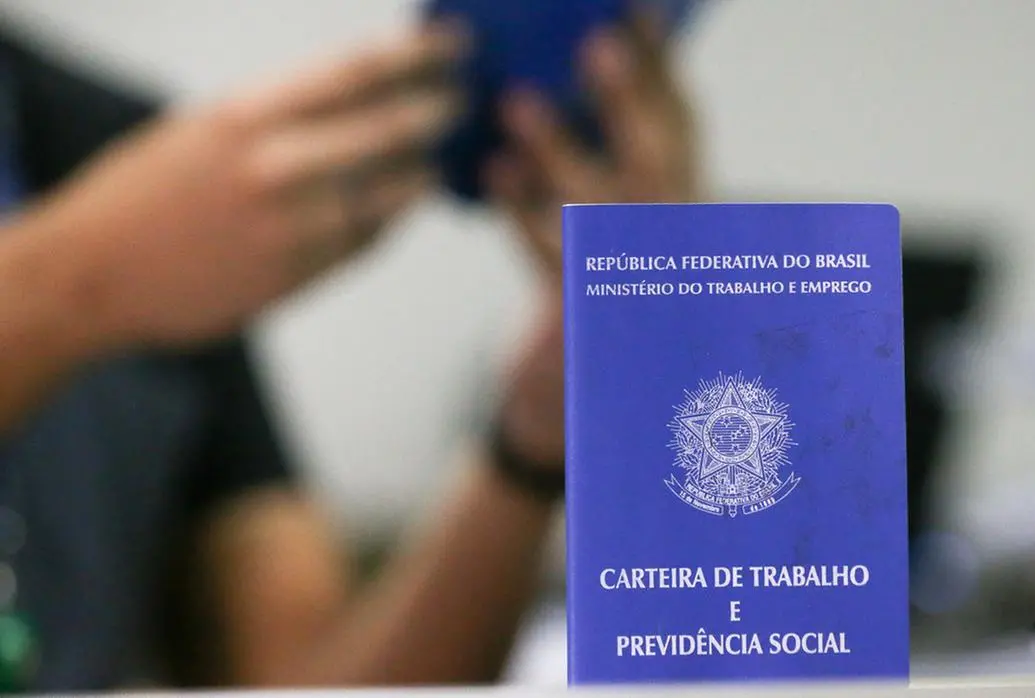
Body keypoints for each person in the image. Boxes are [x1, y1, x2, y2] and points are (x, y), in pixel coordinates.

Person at [0, 7, 699, 692]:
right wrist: (72, 283)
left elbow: (310, 684)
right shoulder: (123, 219)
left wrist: (537, 430)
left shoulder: (93, 143)